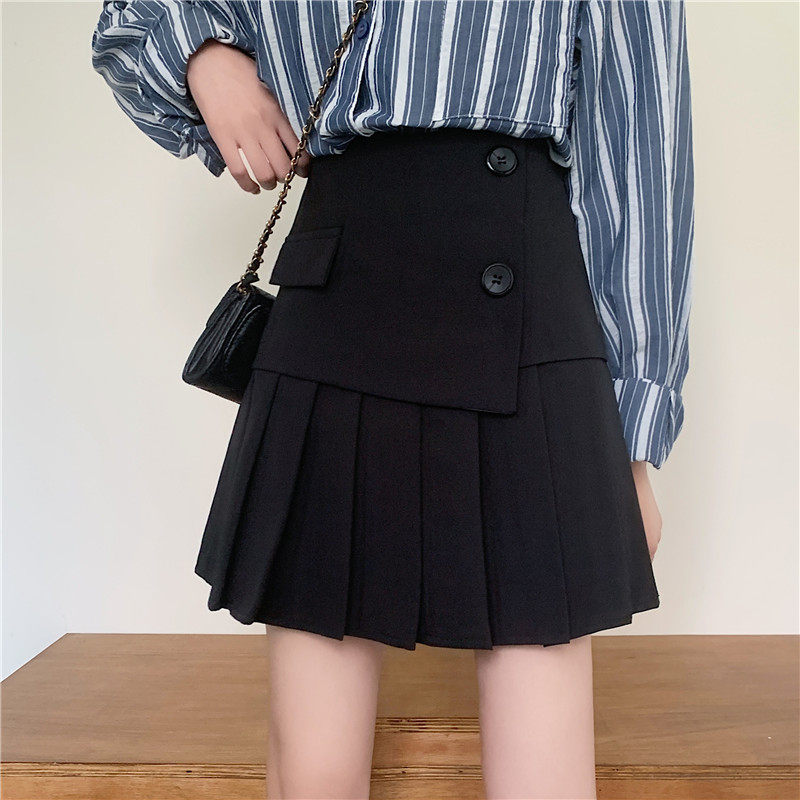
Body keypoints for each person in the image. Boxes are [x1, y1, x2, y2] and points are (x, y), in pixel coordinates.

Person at [91, 1, 694, 798]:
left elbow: (642, 150)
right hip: (336, 291)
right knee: (314, 772)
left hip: (525, 303)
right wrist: (206, 61)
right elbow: (129, 23)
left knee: (542, 774)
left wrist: (635, 432)